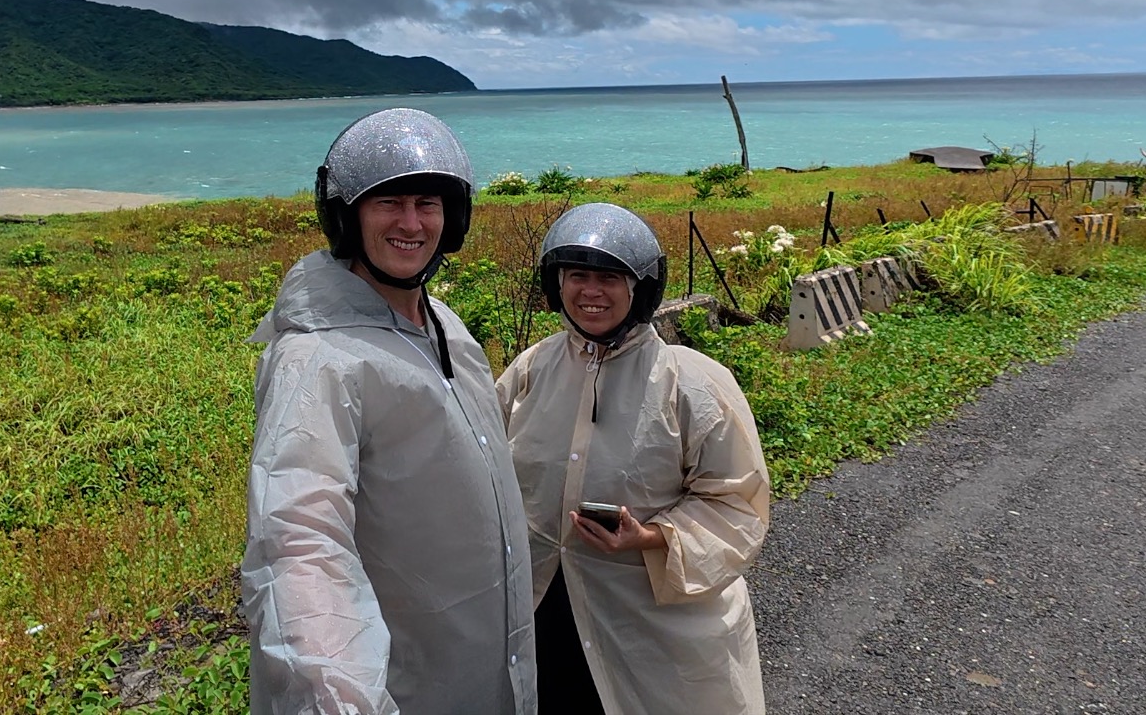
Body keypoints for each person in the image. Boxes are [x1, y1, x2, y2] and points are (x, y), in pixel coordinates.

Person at [242, 107, 537, 715]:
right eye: (388, 203)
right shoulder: (318, 358)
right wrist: (341, 697)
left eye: (428, 203)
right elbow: (299, 544)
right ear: (347, 217)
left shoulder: (446, 328)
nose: (411, 222)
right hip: (401, 686)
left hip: (484, 662)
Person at [497, 202, 770, 715]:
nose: (590, 291)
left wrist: (650, 537)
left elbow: (735, 501)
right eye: (577, 276)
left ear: (641, 289)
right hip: (545, 606)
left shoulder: (692, 382)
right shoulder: (532, 368)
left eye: (609, 278)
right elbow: (488, 471)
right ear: (556, 284)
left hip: (650, 622)